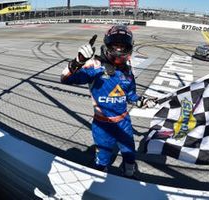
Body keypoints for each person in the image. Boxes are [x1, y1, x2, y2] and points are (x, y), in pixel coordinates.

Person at [61, 25, 156, 178]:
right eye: (115, 45)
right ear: (107, 45)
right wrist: (77, 62)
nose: (118, 49)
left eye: (122, 45)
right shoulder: (95, 66)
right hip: (102, 124)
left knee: (130, 156)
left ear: (129, 48)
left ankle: (128, 179)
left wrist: (142, 101)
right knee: (102, 161)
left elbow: (131, 95)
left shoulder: (128, 70)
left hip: (123, 121)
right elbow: (65, 79)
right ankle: (99, 185)